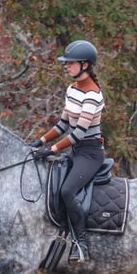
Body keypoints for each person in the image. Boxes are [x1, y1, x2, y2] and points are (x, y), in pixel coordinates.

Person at [29, 39, 106, 262]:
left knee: (67, 191)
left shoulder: (93, 94)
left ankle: (81, 244)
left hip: (90, 153)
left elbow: (79, 132)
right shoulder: (72, 89)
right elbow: (63, 125)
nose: (66, 66)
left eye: (70, 63)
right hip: (75, 151)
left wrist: (52, 149)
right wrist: (40, 141)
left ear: (84, 65)